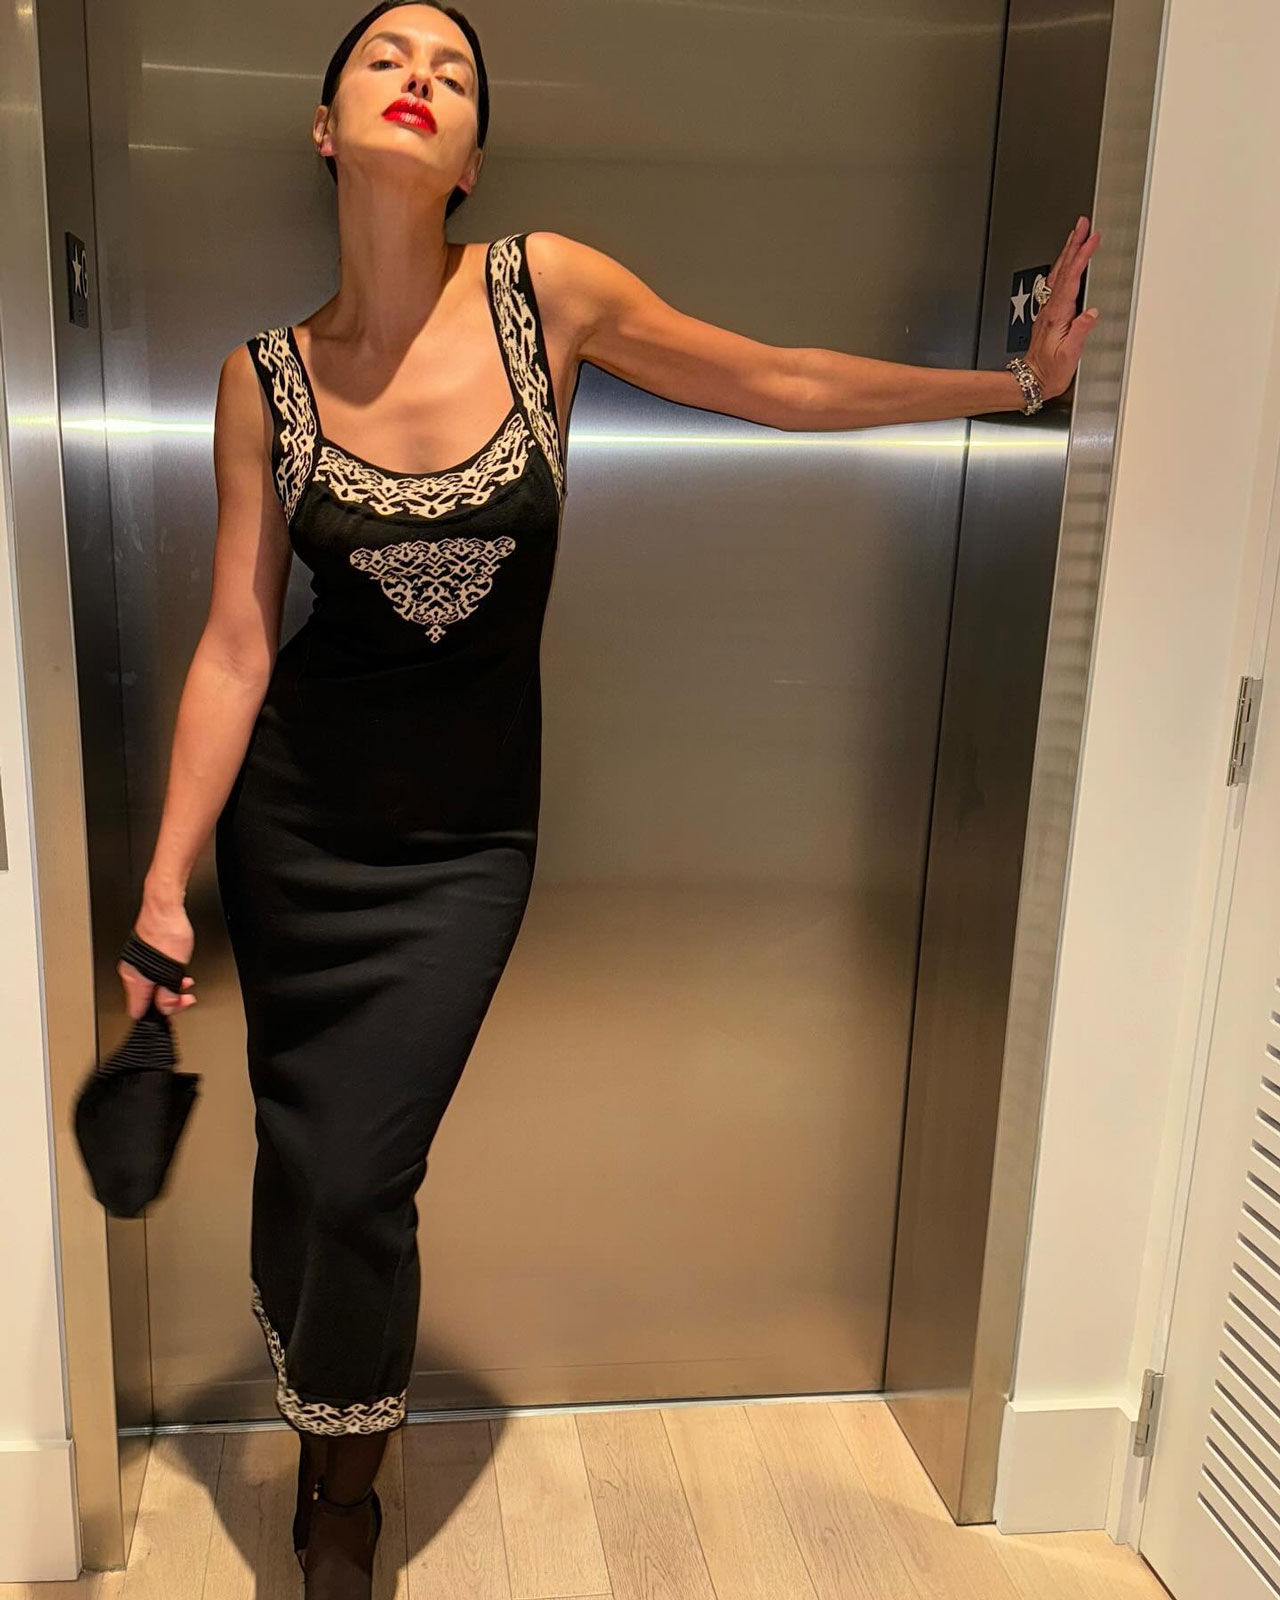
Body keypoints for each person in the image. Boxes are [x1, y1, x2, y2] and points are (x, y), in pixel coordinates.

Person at [115, 2, 1102, 1593]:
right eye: (386, 59)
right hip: (294, 833)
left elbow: (776, 379)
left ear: (472, 157)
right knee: (306, 1157)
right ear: (324, 128)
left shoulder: (544, 292)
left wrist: (1015, 386)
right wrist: (167, 885)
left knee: (361, 1173)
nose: (420, 78)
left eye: (452, 70)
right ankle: (328, 1425)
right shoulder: (262, 381)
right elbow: (236, 646)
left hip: (462, 850)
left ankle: (343, 1505)